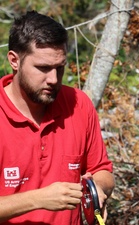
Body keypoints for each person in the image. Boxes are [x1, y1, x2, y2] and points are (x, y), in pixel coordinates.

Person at [0, 10, 115, 224]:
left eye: (59, 68)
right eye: (43, 68)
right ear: (14, 61)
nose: (53, 79)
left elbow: (101, 170)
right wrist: (38, 199)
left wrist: (97, 189)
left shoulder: (78, 105)